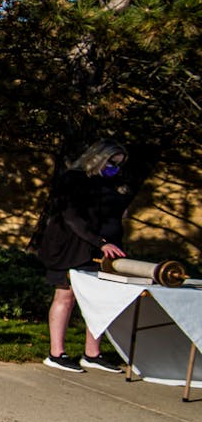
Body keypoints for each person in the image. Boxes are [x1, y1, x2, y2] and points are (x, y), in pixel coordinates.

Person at [31, 140, 132, 373]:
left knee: (95, 301)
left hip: (98, 250)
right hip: (69, 248)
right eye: (111, 163)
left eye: (118, 165)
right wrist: (100, 242)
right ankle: (56, 353)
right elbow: (71, 217)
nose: (114, 168)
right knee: (66, 296)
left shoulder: (108, 184)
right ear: (97, 157)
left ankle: (92, 353)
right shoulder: (73, 179)